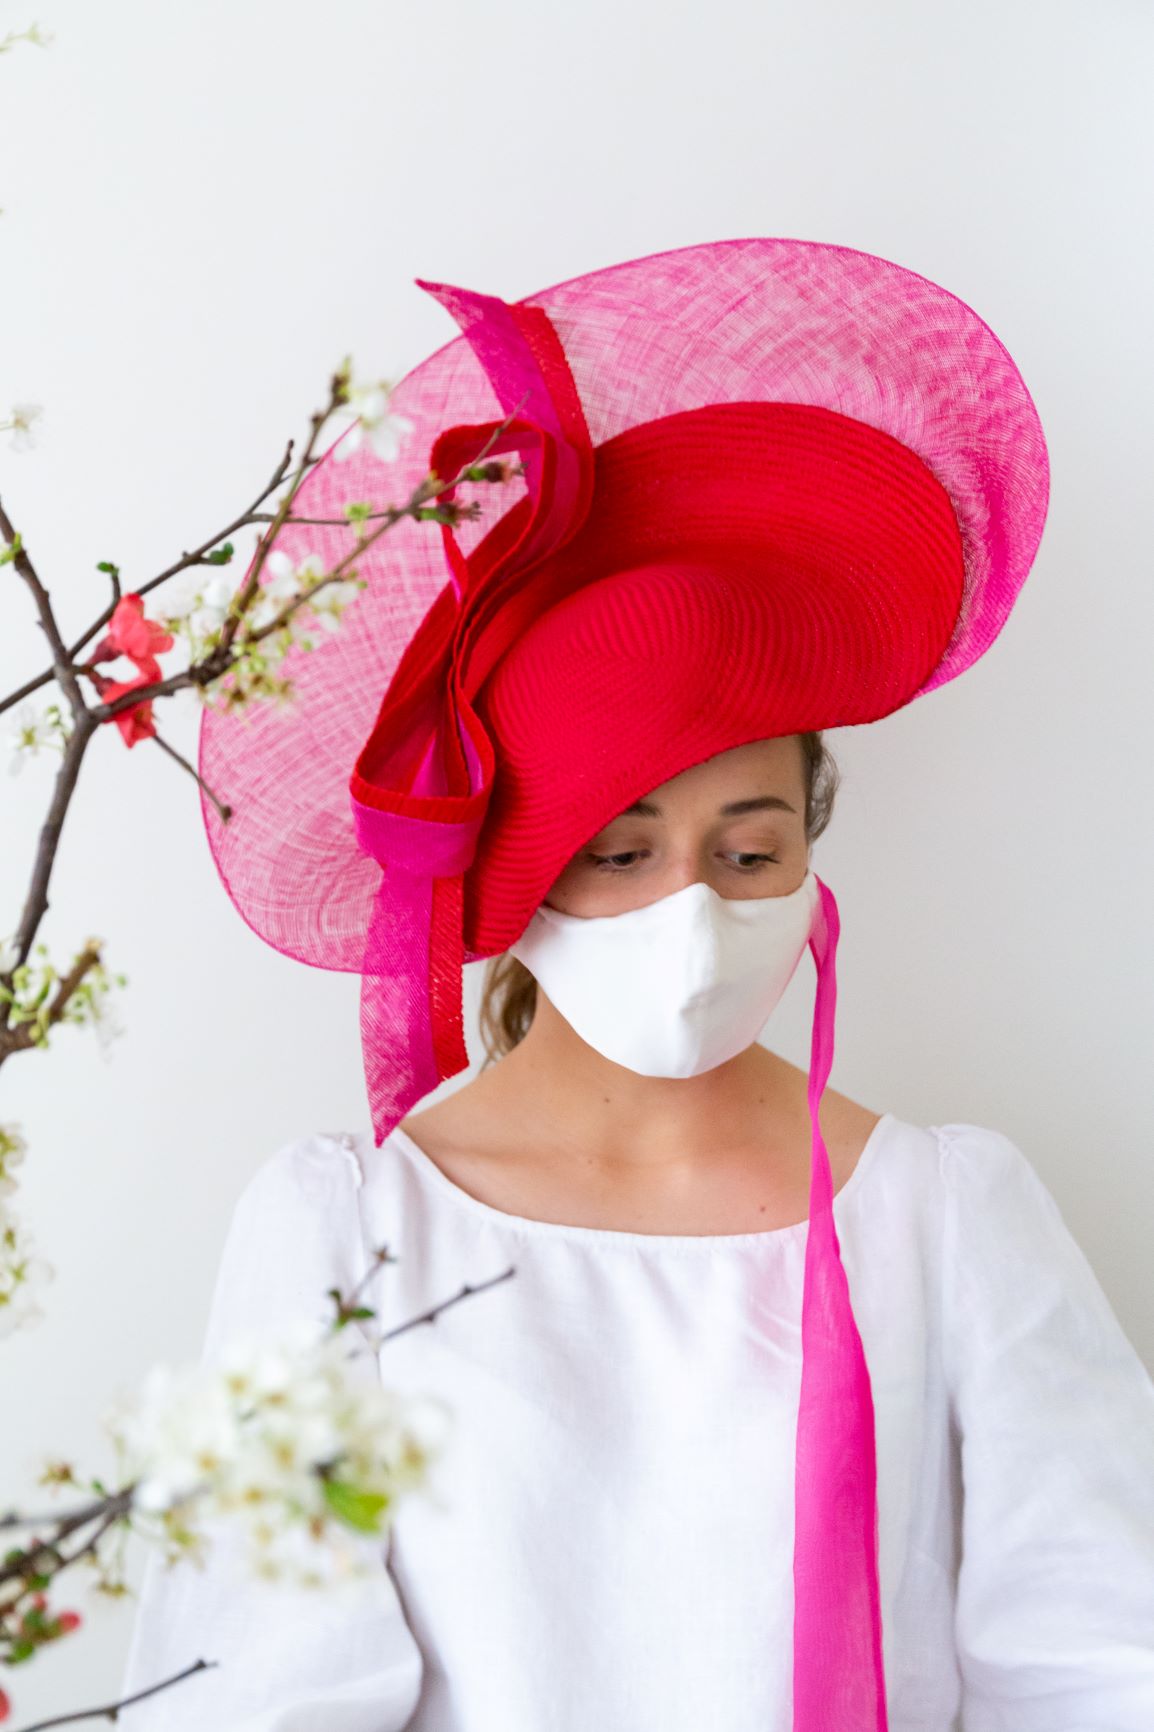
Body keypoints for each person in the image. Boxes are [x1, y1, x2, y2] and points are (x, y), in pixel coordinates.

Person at [118, 239, 1154, 1729]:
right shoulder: (349, 1232)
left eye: (746, 853)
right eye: (617, 855)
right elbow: (255, 1694)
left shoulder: (941, 1217)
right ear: (510, 875)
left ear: (809, 850)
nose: (689, 913)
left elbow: (1098, 1663)